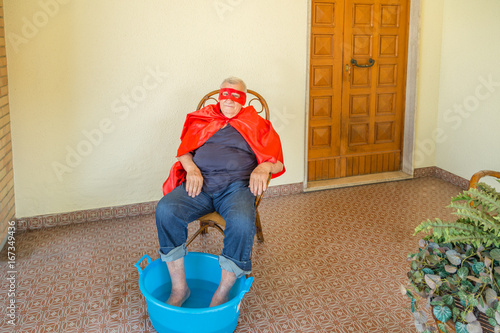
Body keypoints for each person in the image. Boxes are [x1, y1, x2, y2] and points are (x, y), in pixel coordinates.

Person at [155, 77, 285, 307]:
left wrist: (264, 166)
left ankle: (222, 294)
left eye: (236, 96)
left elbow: (276, 162)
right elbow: (184, 151)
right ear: (219, 96)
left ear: (243, 100)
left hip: (236, 189)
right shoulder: (205, 118)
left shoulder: (256, 123)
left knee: (243, 223)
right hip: (200, 185)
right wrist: (192, 168)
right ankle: (179, 288)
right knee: (166, 210)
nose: (229, 100)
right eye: (225, 94)